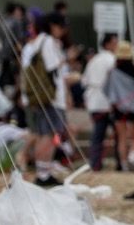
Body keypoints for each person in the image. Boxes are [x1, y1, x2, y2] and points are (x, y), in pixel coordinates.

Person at [20, 13, 70, 186]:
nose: (62, 31)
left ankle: (43, 172)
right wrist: (66, 59)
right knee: (48, 135)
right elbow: (52, 66)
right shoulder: (48, 41)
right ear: (53, 25)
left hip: (41, 97)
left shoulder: (36, 42)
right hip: (51, 97)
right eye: (61, 27)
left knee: (44, 134)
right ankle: (43, 174)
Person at [103, 41, 134, 170]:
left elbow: (106, 89)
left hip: (118, 107)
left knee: (122, 138)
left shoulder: (113, 71)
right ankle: (132, 156)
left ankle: (123, 164)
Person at [82, 32, 119, 171]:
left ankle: (96, 163)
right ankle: (120, 162)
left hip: (94, 102)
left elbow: (84, 81)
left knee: (98, 134)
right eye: (115, 42)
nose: (117, 45)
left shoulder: (94, 60)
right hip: (108, 102)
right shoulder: (112, 59)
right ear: (107, 44)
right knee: (117, 133)